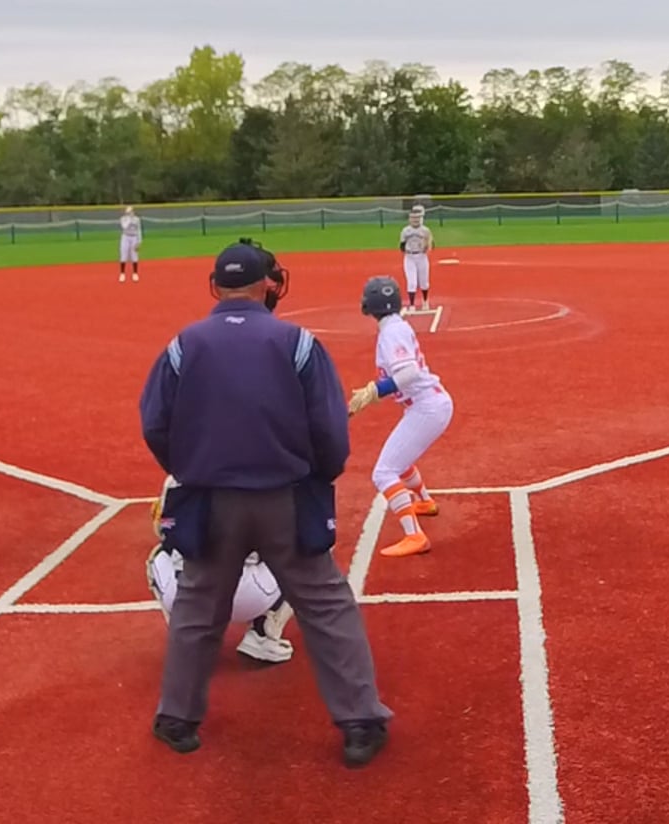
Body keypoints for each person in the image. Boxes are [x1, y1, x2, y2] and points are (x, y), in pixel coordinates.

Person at [139, 238, 391, 766]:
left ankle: (177, 717)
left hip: (209, 500)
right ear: (267, 284)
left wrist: (188, 468)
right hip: (285, 497)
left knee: (197, 607)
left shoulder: (185, 344)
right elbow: (330, 429)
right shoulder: (297, 342)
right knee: (325, 603)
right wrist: (318, 475)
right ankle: (360, 722)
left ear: (216, 286)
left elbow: (155, 422)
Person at [348, 276, 448, 558]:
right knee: (399, 460)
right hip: (427, 405)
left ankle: (415, 536)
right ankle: (424, 501)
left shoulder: (391, 332)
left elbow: (409, 373)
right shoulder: (395, 327)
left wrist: (374, 391)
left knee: (383, 472)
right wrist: (371, 394)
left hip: (427, 407)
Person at [145, 479, 295, 665]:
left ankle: (190, 638)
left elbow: (163, 530)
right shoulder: (275, 472)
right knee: (308, 550)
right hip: (250, 594)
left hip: (187, 593)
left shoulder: (180, 475)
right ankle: (264, 633)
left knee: (159, 555)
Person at [399, 206, 434, 309]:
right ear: (409, 219)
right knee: (412, 282)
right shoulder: (405, 231)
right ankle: (412, 304)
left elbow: (431, 245)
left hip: (422, 257)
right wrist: (406, 250)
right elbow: (402, 246)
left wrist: (427, 246)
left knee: (424, 282)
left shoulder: (425, 230)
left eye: (417, 218)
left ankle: (425, 301)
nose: (415, 220)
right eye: (413, 218)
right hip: (410, 257)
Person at [118, 205, 142, 283]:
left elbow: (139, 230)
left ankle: (135, 273)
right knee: (123, 254)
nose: (131, 213)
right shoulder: (123, 219)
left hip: (134, 237)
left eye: (132, 211)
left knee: (134, 255)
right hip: (125, 237)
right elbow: (124, 227)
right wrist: (129, 219)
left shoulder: (137, 219)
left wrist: (139, 242)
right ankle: (122, 274)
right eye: (129, 212)